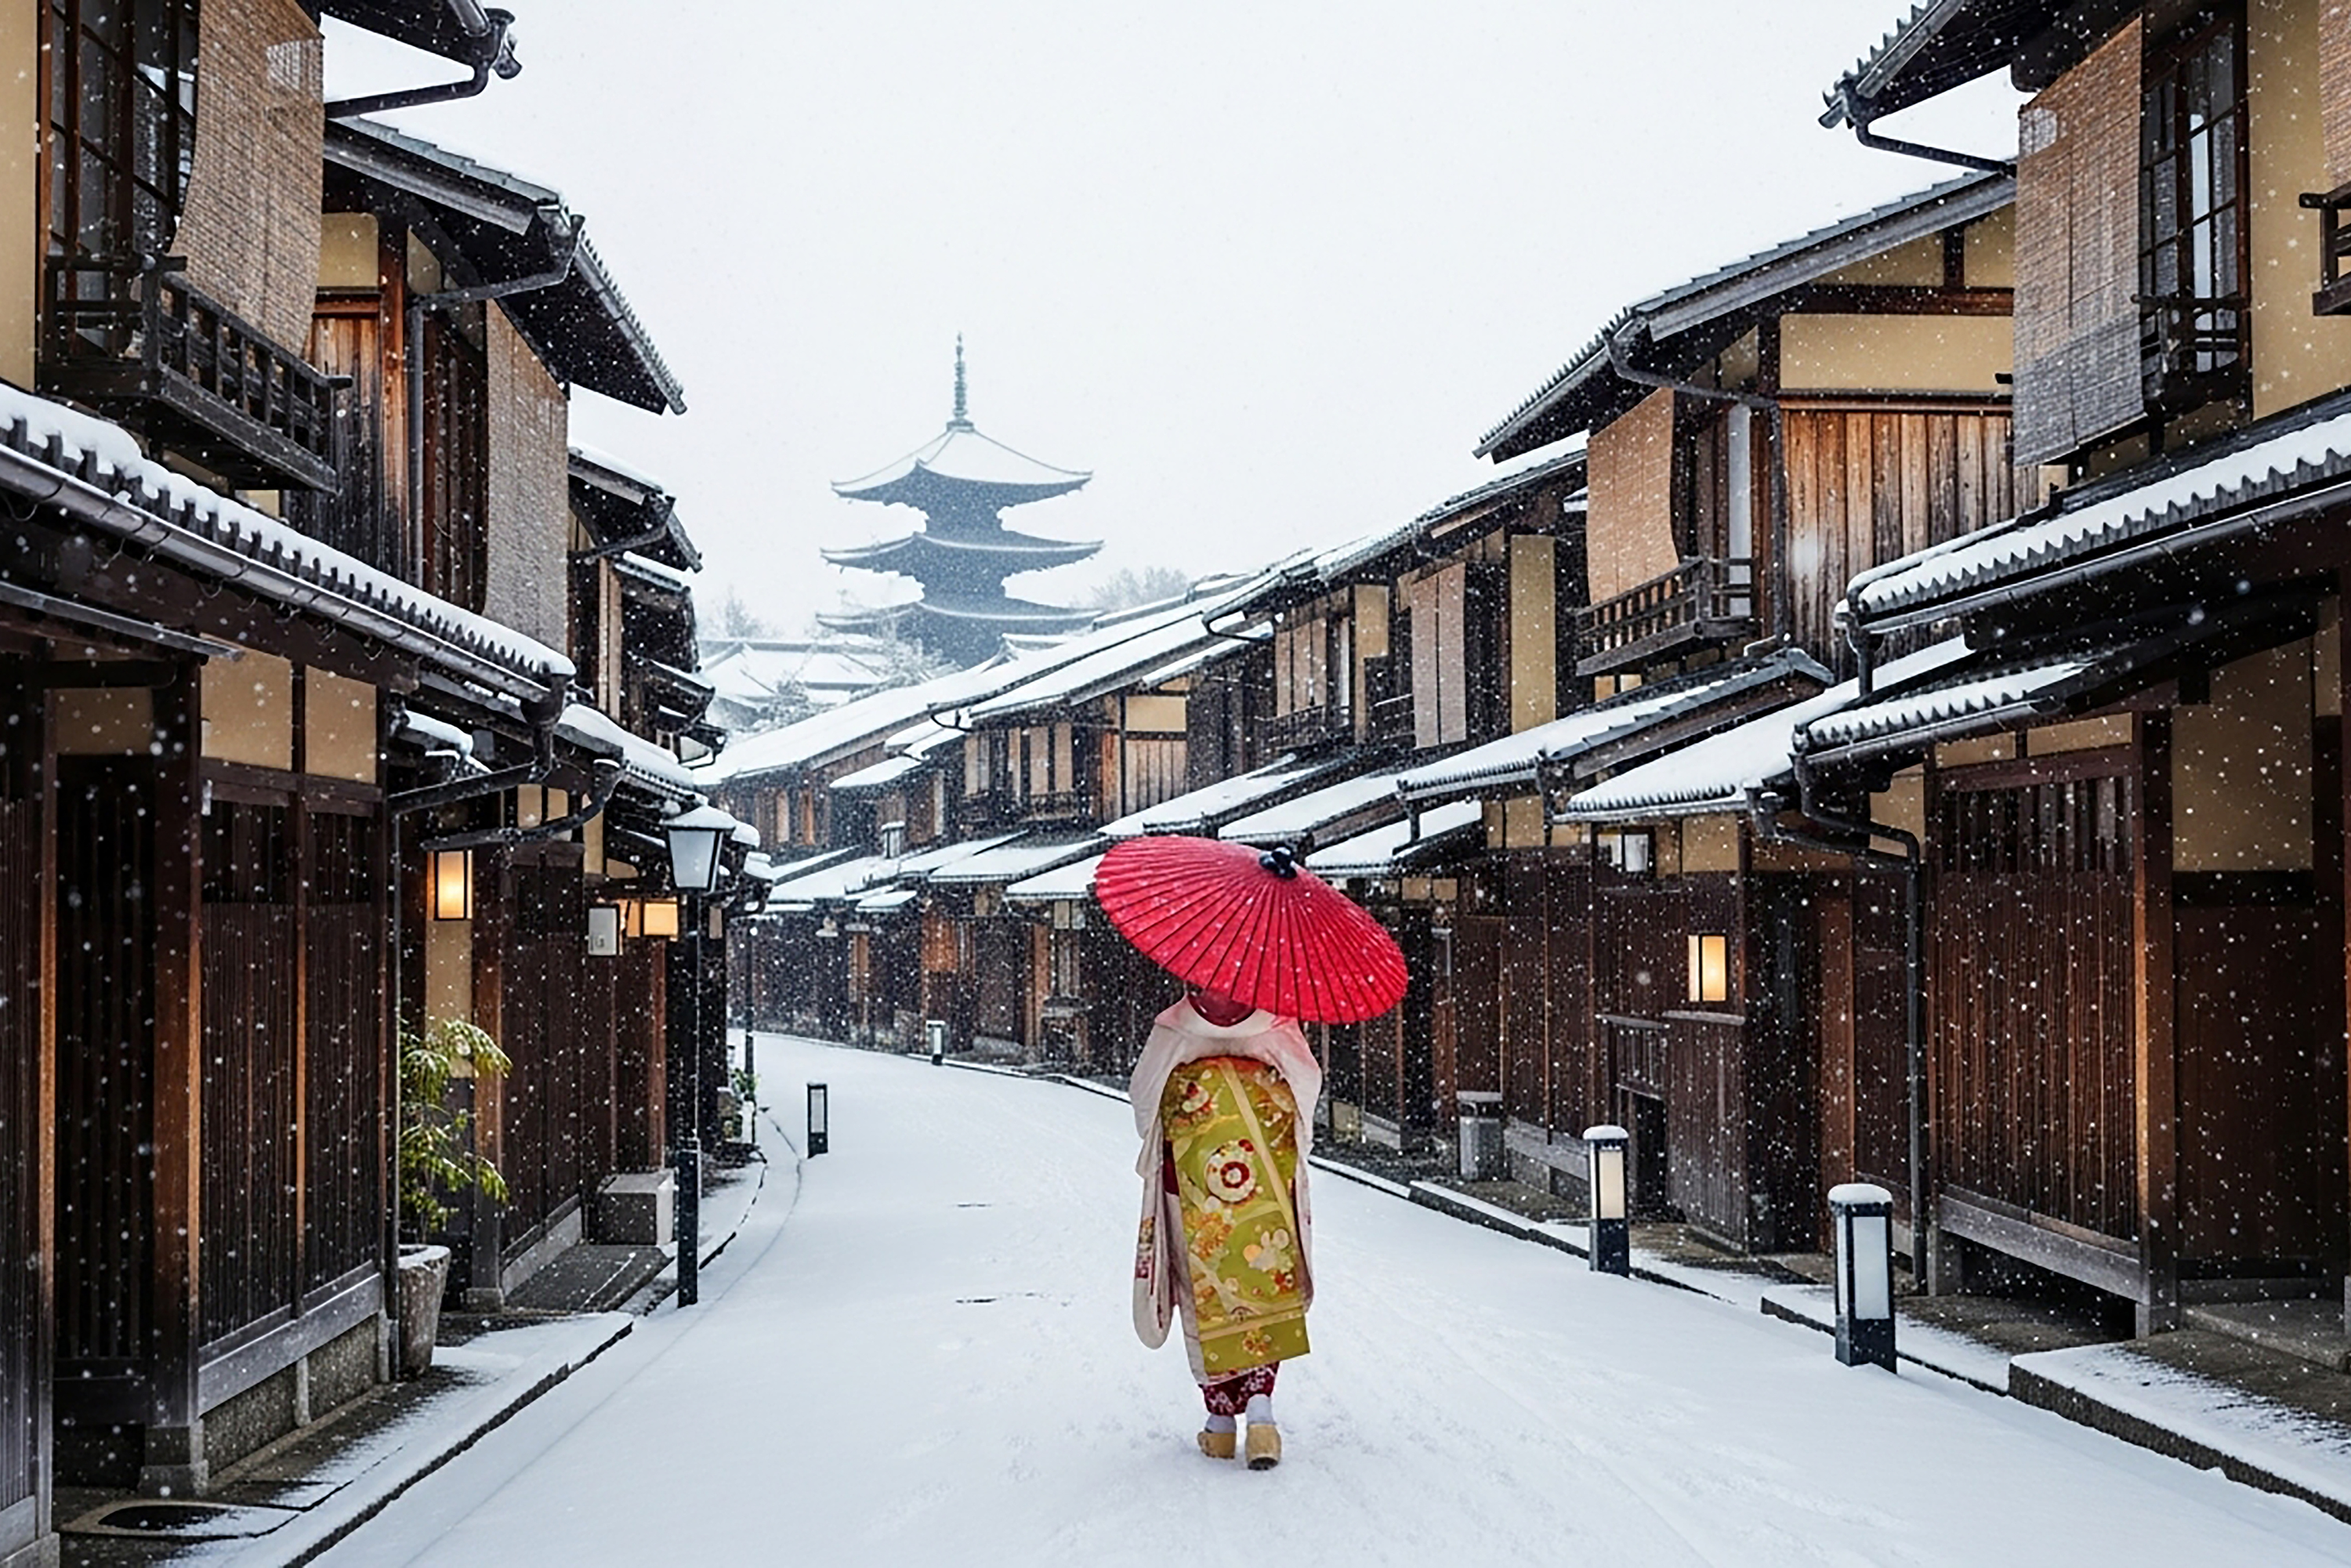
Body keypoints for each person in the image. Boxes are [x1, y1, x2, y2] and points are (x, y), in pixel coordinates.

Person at [1129, 983, 1320, 1470]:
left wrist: (1199, 1105)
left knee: (1204, 1287)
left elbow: (1144, 1097)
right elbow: (1305, 1085)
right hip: (1259, 1172)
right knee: (1261, 1280)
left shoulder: (1174, 1026)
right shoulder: (1277, 1020)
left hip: (1194, 1178)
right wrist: (1257, 1100)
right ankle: (1261, 1415)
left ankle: (1218, 1424)